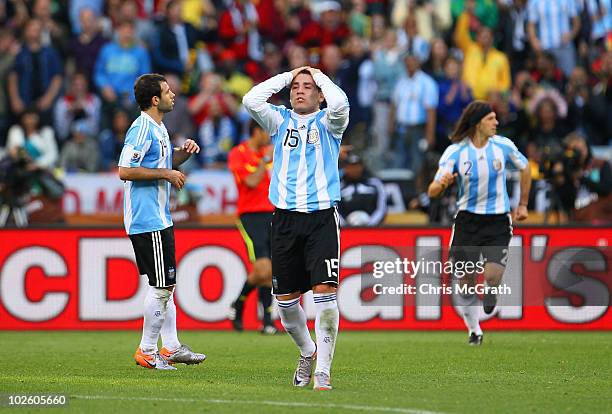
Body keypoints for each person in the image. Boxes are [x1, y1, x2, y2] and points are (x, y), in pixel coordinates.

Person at [242, 65, 349, 390]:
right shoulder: (278, 120)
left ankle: (323, 372)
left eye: (307, 86)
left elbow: (341, 104)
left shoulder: (330, 123)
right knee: (286, 306)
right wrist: (288, 75)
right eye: (295, 87)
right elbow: (250, 99)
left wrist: (320, 77)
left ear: (319, 93)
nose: (300, 90)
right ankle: (307, 351)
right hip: (285, 220)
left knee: (325, 297)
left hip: (320, 219)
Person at [118, 73, 206, 370]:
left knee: (164, 285)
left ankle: (170, 347)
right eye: (167, 92)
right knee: (162, 286)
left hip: (159, 217)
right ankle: (147, 349)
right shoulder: (141, 128)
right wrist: (167, 174)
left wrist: (183, 156)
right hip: (147, 219)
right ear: (155, 100)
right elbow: (125, 170)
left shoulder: (159, 127)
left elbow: (163, 164)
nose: (173, 96)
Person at [427, 100, 531, 345]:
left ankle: (492, 290)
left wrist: (523, 204)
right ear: (477, 124)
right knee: (465, 282)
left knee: (493, 276)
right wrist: (441, 185)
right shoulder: (455, 152)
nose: (496, 122)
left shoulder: (503, 147)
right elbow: (432, 190)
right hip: (467, 221)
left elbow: (525, 168)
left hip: (497, 220)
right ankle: (474, 329)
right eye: (490, 119)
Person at [227, 120, 277, 335]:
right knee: (263, 269)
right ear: (257, 132)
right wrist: (266, 159)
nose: (270, 136)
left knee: (271, 270)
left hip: (274, 213)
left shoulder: (272, 152)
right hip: (250, 216)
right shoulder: (238, 154)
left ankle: (266, 321)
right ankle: (239, 304)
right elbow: (251, 182)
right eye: (267, 131)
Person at [337, 153, 387, 226]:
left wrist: (371, 225)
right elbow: (335, 209)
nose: (354, 170)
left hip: (372, 228)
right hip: (345, 229)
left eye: (357, 166)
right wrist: (345, 226)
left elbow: (382, 208)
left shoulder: (375, 183)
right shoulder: (338, 186)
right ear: (345, 169)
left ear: (362, 167)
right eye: (351, 167)